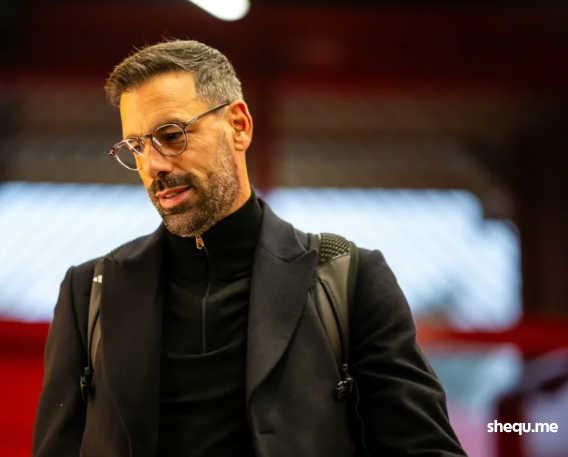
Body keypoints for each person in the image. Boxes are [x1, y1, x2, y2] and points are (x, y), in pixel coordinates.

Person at [32, 39, 466, 457]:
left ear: (238, 126)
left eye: (171, 134)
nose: (154, 165)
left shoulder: (350, 281)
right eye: (137, 147)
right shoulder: (89, 293)